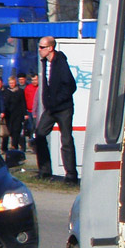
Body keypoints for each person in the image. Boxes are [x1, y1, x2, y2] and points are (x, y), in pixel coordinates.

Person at [33, 36, 78, 182]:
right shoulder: (45, 63)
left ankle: (71, 175)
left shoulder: (61, 63)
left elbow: (70, 86)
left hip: (63, 108)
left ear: (50, 48)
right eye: (39, 47)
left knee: (66, 140)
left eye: (42, 47)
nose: (39, 50)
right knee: (39, 134)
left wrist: (57, 100)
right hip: (50, 109)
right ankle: (45, 171)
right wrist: (48, 103)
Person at [2, 75, 27, 152]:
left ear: (15, 83)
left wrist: (25, 113)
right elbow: (4, 103)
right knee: (8, 130)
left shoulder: (19, 91)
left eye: (13, 83)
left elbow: (23, 103)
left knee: (16, 130)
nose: (11, 84)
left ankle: (14, 146)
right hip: (8, 114)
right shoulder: (6, 91)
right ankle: (4, 148)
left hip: (18, 114)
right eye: (10, 83)